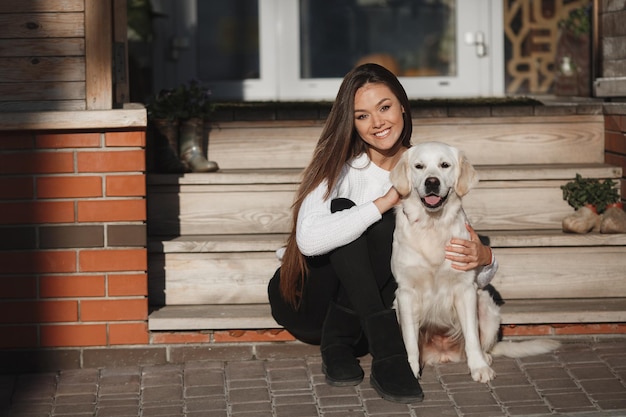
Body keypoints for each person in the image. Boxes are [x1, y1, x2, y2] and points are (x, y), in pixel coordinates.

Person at [267, 63, 497, 403]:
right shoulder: (341, 169)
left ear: (402, 105)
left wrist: (486, 258)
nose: (377, 123)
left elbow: (450, 270)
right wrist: (385, 200)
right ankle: (385, 351)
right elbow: (309, 242)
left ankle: (344, 344)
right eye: (362, 116)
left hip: (363, 322)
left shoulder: (426, 169)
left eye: (384, 107)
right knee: (357, 212)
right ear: (352, 122)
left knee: (396, 227)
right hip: (306, 300)